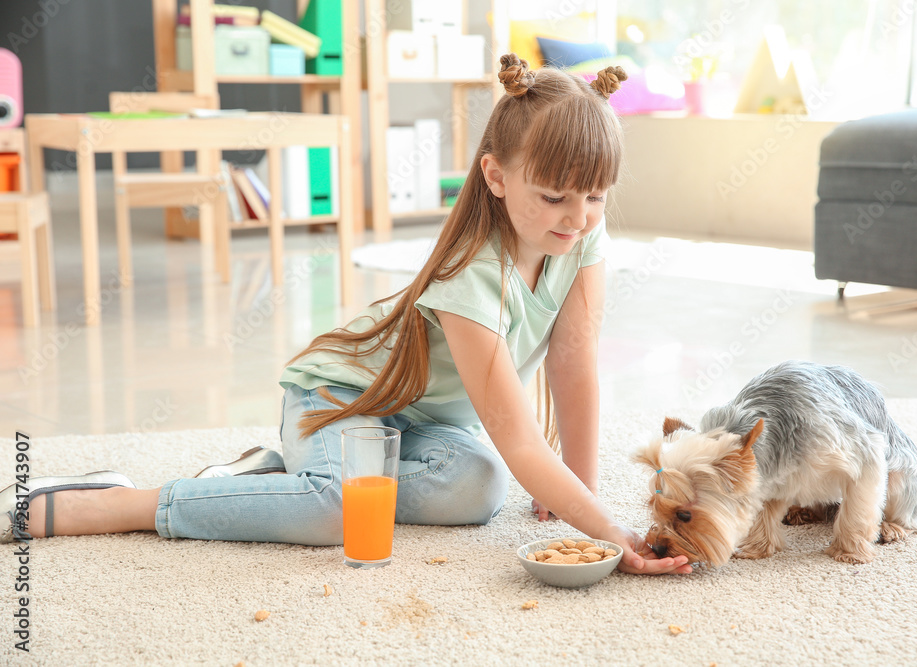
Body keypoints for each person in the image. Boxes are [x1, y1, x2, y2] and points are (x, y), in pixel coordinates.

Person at [0, 55, 691, 576]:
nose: (578, 218)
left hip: (424, 423)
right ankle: (121, 503)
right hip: (338, 397)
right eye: (555, 197)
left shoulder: (581, 235)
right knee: (338, 509)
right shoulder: (470, 278)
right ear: (496, 176)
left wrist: (580, 497)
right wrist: (610, 533)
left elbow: (573, 363)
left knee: (478, 488)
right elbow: (520, 440)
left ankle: (276, 482)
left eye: (596, 197)